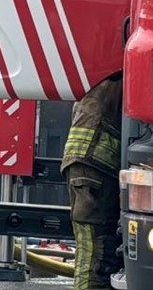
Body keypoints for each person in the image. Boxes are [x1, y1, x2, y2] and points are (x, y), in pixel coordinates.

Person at [61, 74, 123, 290]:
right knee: (95, 254)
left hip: (90, 163)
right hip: (93, 165)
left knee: (101, 252)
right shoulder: (116, 73)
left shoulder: (100, 72)